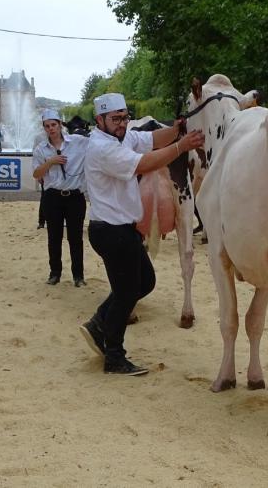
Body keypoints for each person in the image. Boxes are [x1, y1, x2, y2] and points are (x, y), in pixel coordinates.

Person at [78, 92, 204, 376]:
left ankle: (99, 323)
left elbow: (151, 140)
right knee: (126, 292)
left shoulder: (122, 137)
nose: (122, 123)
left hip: (123, 228)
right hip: (109, 230)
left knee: (144, 282)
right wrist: (181, 146)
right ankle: (114, 356)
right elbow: (145, 164)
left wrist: (176, 130)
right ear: (100, 120)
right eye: (115, 119)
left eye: (125, 117)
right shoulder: (102, 148)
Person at [32, 109, 88, 287]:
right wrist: (50, 162)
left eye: (54, 125)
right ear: (44, 128)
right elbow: (36, 174)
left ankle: (78, 276)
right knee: (53, 237)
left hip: (74, 197)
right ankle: (55, 273)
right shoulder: (40, 149)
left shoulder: (79, 142)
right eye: (47, 126)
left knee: (75, 238)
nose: (51, 129)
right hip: (52, 197)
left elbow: (99, 145)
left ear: (60, 125)